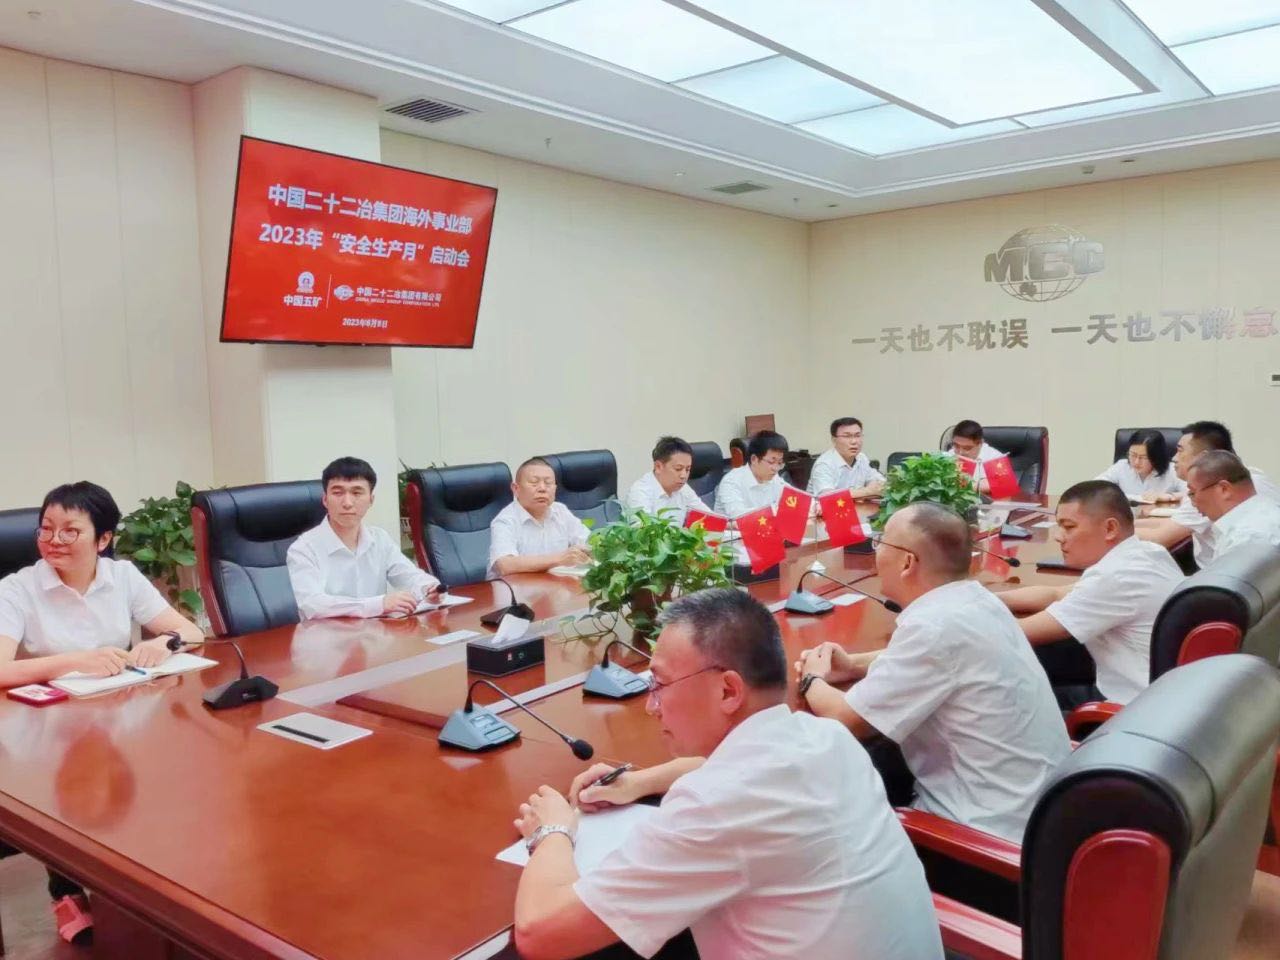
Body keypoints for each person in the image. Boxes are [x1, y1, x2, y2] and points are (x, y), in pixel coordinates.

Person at [511, 588, 943, 960]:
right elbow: (737, 768)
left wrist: (551, 830)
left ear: (728, 690)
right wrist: (641, 782)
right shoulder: (825, 737)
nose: (651, 706)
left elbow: (540, 934)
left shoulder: (716, 805)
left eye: (659, 685)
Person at [0, 481, 204, 943]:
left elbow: (190, 632)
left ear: (104, 539)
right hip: (43, 728)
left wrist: (162, 643)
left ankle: (141, 889)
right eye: (46, 528)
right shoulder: (18, 589)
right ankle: (64, 887)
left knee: (152, 777)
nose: (54, 540)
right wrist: (73, 661)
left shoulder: (123, 577)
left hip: (112, 714)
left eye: (70, 531)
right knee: (72, 786)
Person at [794, 502, 1069, 841]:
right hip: (1037, 812)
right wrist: (854, 665)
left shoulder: (934, 628)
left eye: (881, 542)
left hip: (980, 837)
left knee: (828, 790)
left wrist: (811, 678)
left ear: (907, 562)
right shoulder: (976, 601)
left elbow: (845, 719)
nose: (876, 551)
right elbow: (937, 660)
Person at [997, 481, 1183, 705]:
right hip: (1163, 693)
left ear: (1110, 529)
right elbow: (1055, 594)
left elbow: (1016, 633)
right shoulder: (1147, 552)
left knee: (1007, 693)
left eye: (1069, 527)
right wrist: (992, 599)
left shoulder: (1115, 578)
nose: (1059, 536)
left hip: (1131, 708)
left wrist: (964, 613)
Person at [288, 457, 441, 619]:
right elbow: (312, 605)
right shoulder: (303, 549)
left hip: (376, 631)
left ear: (371, 500)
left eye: (356, 493)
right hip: (327, 633)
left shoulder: (379, 539)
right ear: (325, 500)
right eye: (338, 493)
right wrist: (379, 604)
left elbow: (410, 576)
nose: (347, 503)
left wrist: (429, 588)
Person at [1137, 420, 1280, 567]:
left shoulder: (1246, 537)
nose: (1173, 458)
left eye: (1180, 450)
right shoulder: (1247, 481)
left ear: (1203, 458)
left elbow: (1159, 537)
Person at [489, 457, 591, 576]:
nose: (542, 488)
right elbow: (505, 565)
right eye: (534, 482)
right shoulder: (505, 520)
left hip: (555, 583)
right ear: (516, 489)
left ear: (555, 488)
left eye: (548, 483)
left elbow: (589, 542)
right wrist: (560, 558)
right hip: (514, 586)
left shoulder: (560, 511)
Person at [1184, 450, 1280, 558]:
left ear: (1224, 489)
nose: (1193, 503)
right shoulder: (1269, 508)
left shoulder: (1243, 538)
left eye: (1192, 493)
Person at [623, 436, 709, 526]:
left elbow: (710, 518)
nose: (683, 475)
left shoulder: (684, 489)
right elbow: (643, 531)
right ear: (658, 467)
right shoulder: (640, 493)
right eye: (678, 469)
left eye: (687, 469)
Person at [714, 431, 788, 517]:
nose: (776, 468)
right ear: (754, 459)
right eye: (771, 462)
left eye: (780, 463)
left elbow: (795, 499)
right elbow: (740, 516)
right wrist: (775, 511)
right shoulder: (731, 481)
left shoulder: (774, 478)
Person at [807, 417, 885, 499]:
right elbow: (827, 497)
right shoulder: (824, 464)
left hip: (855, 506)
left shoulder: (861, 458)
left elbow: (881, 482)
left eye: (857, 435)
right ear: (834, 440)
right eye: (847, 436)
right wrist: (867, 491)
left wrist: (873, 485)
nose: (854, 441)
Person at [1095, 429, 1183, 501]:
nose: (1136, 462)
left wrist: (1170, 496)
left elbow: (1189, 493)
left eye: (1143, 457)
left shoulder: (1173, 470)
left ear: (1156, 457)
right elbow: (1096, 486)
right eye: (1133, 455)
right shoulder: (1121, 466)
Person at [941, 419, 1006, 494]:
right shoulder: (949, 455)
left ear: (980, 443)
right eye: (956, 446)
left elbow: (1005, 486)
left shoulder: (995, 457)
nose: (960, 452)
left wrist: (972, 486)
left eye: (967, 448)